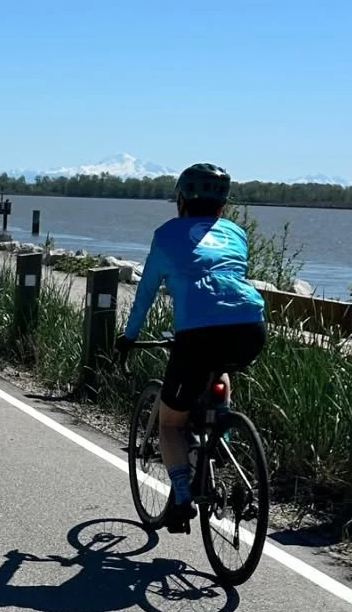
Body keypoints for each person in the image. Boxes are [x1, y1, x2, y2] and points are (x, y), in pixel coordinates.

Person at [114, 163, 267, 532]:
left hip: (197, 334)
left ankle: (182, 498)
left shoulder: (166, 234)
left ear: (181, 201)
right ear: (223, 206)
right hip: (250, 327)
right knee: (220, 368)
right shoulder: (237, 233)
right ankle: (220, 432)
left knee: (170, 423)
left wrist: (129, 337)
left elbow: (146, 292)